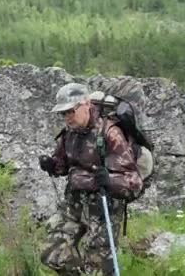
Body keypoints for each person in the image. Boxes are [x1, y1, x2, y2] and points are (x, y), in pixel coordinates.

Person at [39, 83, 143, 275]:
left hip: (103, 206)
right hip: (75, 203)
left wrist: (109, 180)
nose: (67, 117)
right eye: (63, 113)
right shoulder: (69, 133)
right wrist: (52, 165)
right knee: (51, 251)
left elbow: (134, 182)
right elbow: (62, 165)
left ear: (86, 104)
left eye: (71, 111)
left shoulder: (110, 133)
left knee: (96, 268)